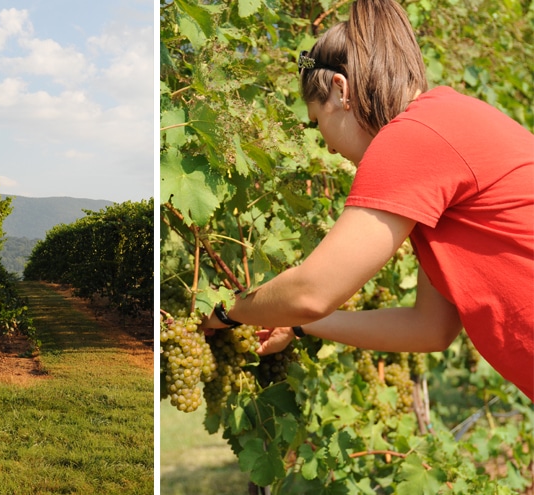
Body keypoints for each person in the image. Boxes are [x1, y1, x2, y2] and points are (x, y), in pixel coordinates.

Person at [202, 0, 534, 400]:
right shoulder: (443, 122)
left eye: (316, 120)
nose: (322, 145)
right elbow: (432, 328)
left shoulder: (413, 138)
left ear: (341, 91)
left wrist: (228, 311)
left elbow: (311, 292)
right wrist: (300, 325)